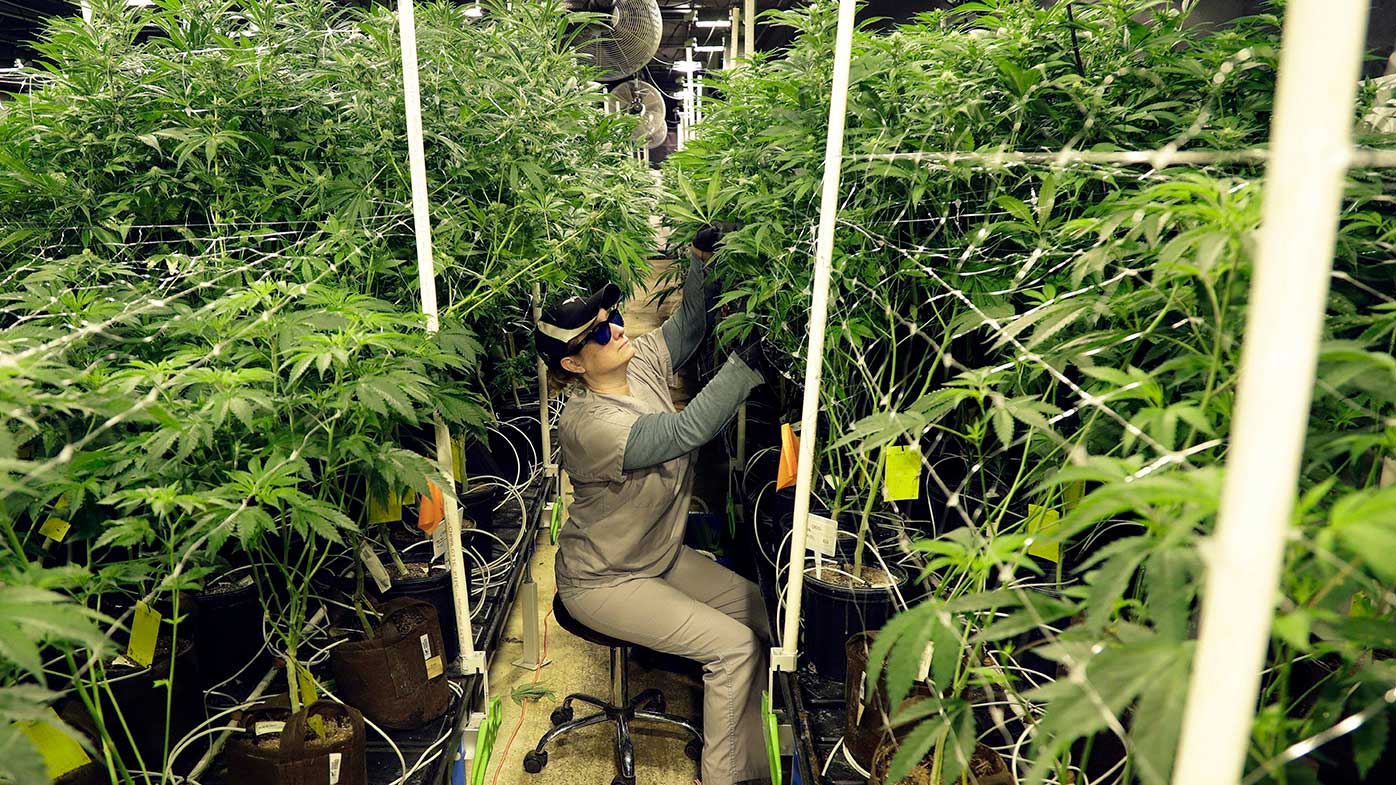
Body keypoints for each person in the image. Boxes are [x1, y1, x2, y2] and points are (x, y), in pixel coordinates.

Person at [533, 225, 772, 785]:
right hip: (605, 581)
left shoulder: (635, 363)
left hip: (656, 559)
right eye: (597, 334)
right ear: (573, 365)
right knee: (733, 647)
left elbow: (688, 327)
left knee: (762, 610)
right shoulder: (588, 426)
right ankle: (723, 778)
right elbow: (686, 429)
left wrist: (701, 261)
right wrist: (748, 365)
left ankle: (758, 764)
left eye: (611, 317)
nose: (616, 328)